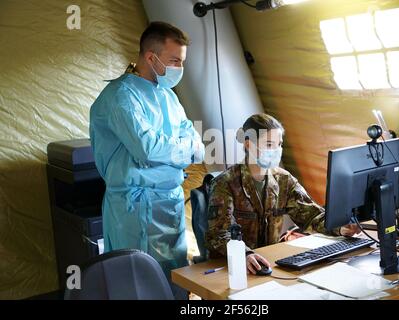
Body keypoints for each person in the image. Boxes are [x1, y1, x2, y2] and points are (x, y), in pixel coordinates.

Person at [89, 21, 205, 298]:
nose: (180, 68)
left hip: (170, 204)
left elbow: (198, 148)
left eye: (182, 61)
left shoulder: (168, 97)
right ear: (151, 57)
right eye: (174, 60)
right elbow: (147, 149)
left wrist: (174, 148)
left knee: (176, 282)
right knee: (138, 286)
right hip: (136, 208)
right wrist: (181, 148)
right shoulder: (120, 97)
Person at [205, 114, 359, 274]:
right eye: (269, 144)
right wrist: (245, 254)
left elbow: (311, 215)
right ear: (249, 144)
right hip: (231, 266)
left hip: (268, 262)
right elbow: (220, 233)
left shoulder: (284, 180)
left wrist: (339, 227)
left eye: (279, 144)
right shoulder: (225, 183)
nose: (276, 150)